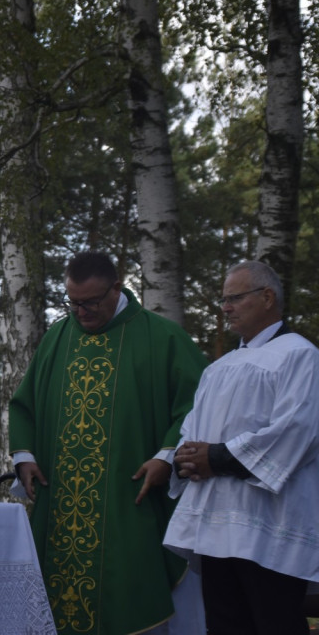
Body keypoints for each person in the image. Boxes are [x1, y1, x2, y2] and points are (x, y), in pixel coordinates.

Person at [8, 251, 207, 635]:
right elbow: (24, 405)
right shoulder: (56, 338)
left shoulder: (161, 337)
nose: (80, 311)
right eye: (73, 302)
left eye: (91, 302)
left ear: (117, 288)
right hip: (62, 503)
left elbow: (198, 406)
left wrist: (166, 456)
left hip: (128, 500)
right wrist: (25, 455)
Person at [164, 261, 319, 635]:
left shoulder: (299, 354)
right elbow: (192, 428)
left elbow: (297, 430)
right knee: (225, 624)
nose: (225, 308)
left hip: (269, 522)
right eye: (223, 300)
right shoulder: (220, 367)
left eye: (234, 298)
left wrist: (215, 458)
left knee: (274, 622)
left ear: (267, 298)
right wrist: (184, 458)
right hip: (217, 524)